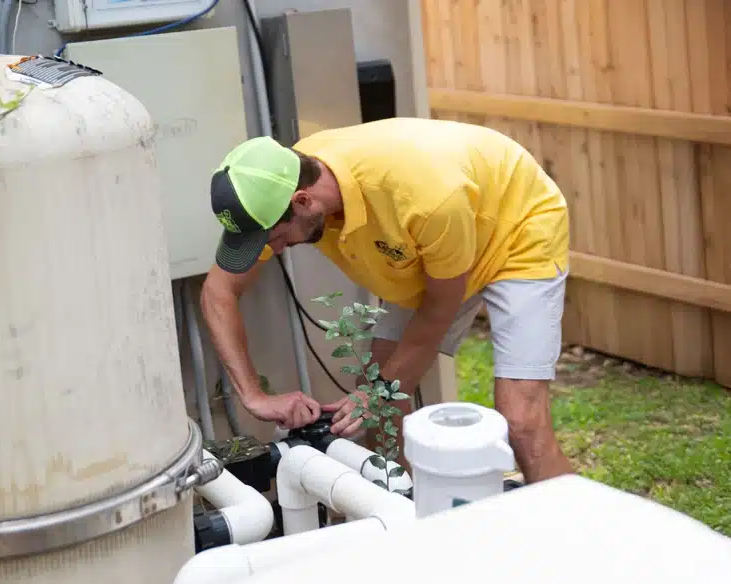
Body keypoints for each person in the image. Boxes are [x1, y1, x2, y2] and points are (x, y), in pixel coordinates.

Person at [199, 117, 574, 483]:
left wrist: (378, 390)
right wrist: (253, 396)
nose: (276, 250)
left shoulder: (424, 197)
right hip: (438, 242)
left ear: (303, 202)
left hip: (516, 225)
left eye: (275, 240)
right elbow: (218, 293)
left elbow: (439, 309)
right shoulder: (277, 181)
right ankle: (408, 516)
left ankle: (576, 536)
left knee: (521, 420)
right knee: (381, 404)